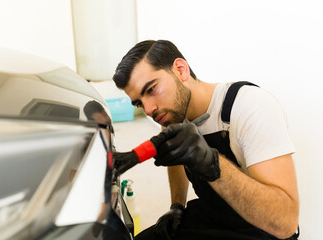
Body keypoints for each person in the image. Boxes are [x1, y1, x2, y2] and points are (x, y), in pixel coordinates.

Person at [112, 40, 299, 240]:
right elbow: (177, 158)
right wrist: (176, 206)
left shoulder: (250, 107)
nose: (149, 109)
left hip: (261, 230)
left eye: (151, 90)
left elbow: (285, 223)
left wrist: (213, 163)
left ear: (181, 70)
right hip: (213, 216)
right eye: (140, 103)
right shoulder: (173, 113)